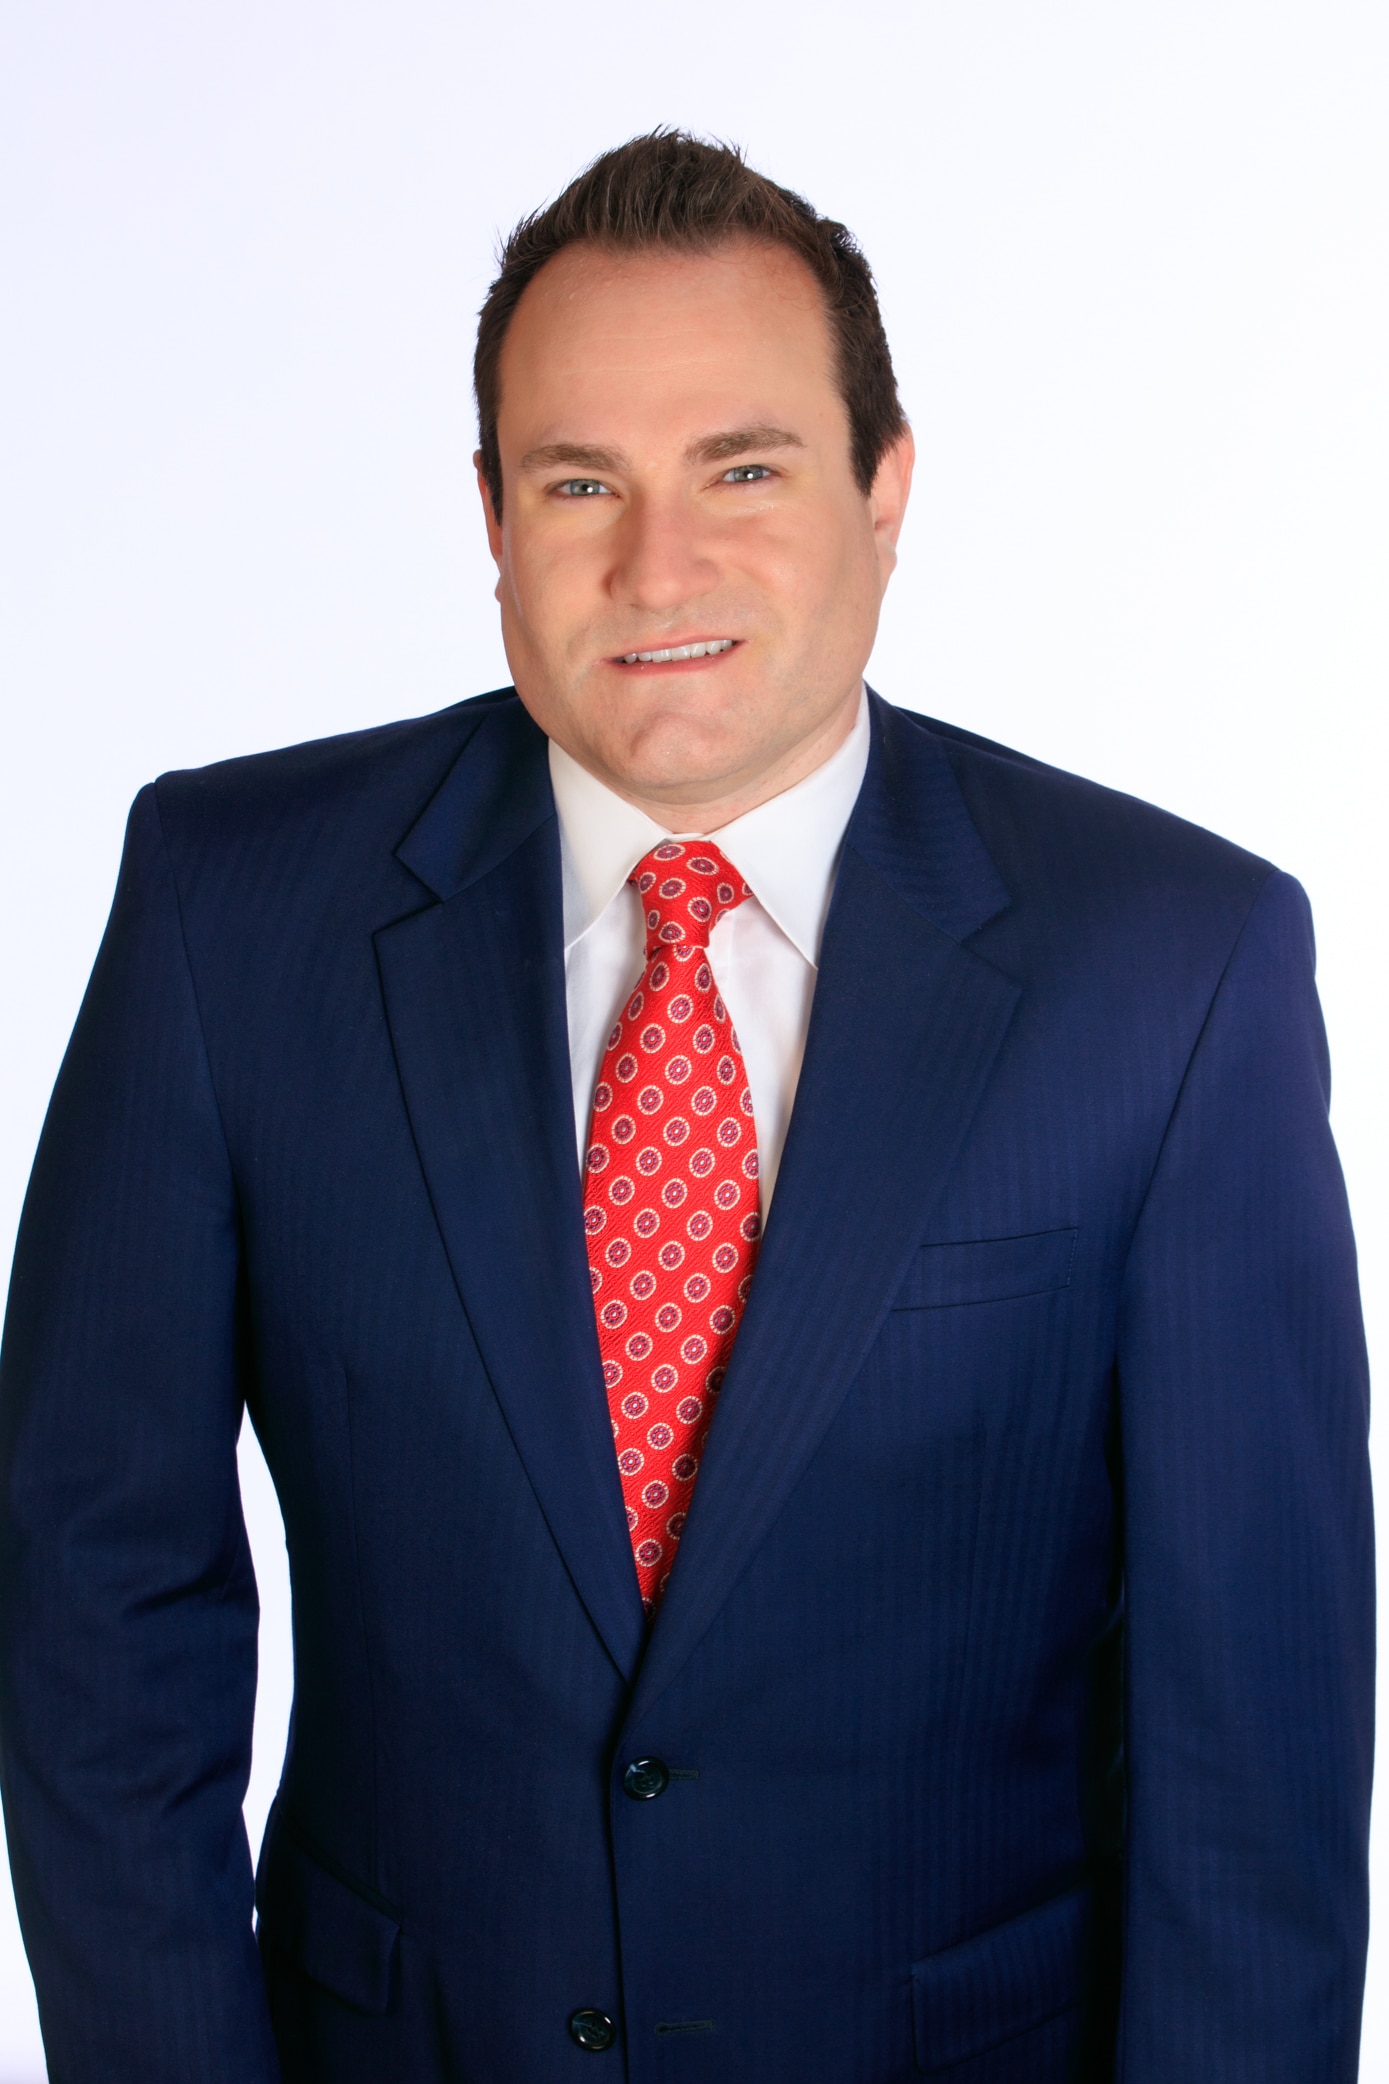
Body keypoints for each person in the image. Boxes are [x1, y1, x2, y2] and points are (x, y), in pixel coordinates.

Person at [0, 130, 1372, 2084]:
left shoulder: (1167, 969)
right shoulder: (234, 911)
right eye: (581, 484)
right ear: (489, 512)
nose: (658, 566)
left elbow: (1257, 1738)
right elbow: (95, 1591)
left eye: (740, 469)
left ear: (882, 489)